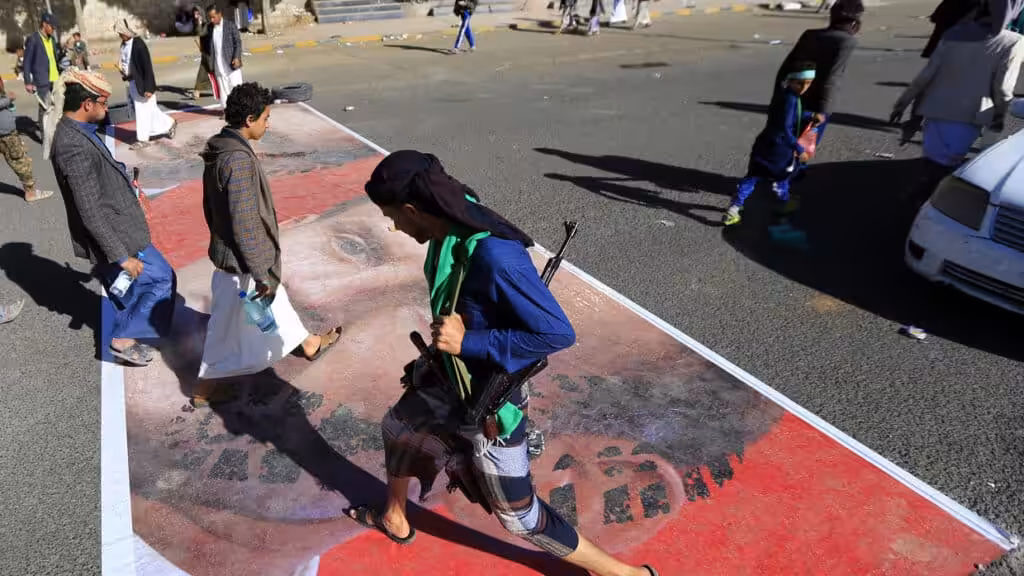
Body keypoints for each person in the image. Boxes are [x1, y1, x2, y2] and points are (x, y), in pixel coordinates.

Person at [346, 150, 659, 576]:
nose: (392, 225)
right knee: (397, 428)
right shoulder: (445, 226)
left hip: (490, 398)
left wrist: (468, 341)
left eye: (393, 217)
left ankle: (626, 575)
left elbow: (555, 333)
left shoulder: (495, 256)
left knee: (519, 516)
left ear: (413, 209)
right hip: (448, 376)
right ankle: (395, 516)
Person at [196, 82, 342, 390]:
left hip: (235, 255)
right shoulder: (237, 160)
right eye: (265, 118)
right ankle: (207, 388)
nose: (268, 123)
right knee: (225, 324)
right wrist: (261, 271)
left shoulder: (222, 146)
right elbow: (245, 223)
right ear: (249, 120)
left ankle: (308, 343)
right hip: (239, 261)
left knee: (276, 303)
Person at [49, 68, 177, 366]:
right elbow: (89, 209)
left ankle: (129, 334)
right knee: (161, 278)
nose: (107, 110)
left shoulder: (78, 130)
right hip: (115, 235)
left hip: (116, 227)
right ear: (87, 105)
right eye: (103, 104)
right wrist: (120, 256)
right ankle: (122, 338)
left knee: (127, 289)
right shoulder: (72, 145)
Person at [891, 0, 1024, 208]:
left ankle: (920, 201)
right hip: (969, 116)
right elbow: (1003, 87)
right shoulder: (1013, 42)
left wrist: (903, 103)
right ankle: (924, 204)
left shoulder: (955, 32)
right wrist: (999, 115)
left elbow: (926, 75)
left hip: (935, 109)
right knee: (945, 166)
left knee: (933, 160)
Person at [723, 63, 817, 226]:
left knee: (752, 176)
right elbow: (785, 127)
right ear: (791, 80)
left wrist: (810, 115)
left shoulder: (782, 95)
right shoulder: (791, 99)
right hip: (780, 148)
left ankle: (734, 209)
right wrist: (799, 149)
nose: (803, 87)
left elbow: (787, 116)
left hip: (764, 143)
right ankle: (784, 204)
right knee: (781, 178)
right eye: (800, 82)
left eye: (808, 83)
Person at [773, 0, 863, 161]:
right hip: (815, 104)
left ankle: (769, 177)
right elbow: (832, 77)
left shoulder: (810, 34)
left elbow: (786, 67)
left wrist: (778, 96)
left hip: (792, 96)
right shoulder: (846, 42)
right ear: (855, 21)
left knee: (783, 141)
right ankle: (781, 181)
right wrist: (823, 110)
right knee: (802, 151)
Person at [114, 19, 178, 151]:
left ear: (127, 31)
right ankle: (170, 123)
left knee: (142, 111)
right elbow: (127, 63)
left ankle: (142, 139)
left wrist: (149, 88)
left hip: (142, 84)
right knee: (150, 110)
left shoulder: (138, 45)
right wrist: (124, 72)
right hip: (133, 82)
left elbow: (147, 67)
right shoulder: (124, 44)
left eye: (121, 33)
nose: (120, 36)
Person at [0, 76, 54, 202]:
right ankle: (31, 192)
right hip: (6, 135)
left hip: (7, 134)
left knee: (17, 158)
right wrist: (9, 99)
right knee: (20, 162)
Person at [22, 13, 61, 142]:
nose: (53, 29)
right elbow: (26, 62)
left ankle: (55, 135)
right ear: (44, 24)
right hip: (42, 81)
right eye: (52, 26)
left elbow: (54, 58)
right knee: (45, 111)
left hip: (55, 80)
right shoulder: (33, 39)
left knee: (57, 109)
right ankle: (46, 139)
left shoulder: (52, 39)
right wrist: (28, 82)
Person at [201, 5, 244, 109]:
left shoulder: (230, 25)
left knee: (236, 87)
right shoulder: (209, 28)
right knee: (223, 90)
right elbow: (207, 44)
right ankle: (226, 111)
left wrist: (237, 57)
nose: (212, 20)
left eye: (213, 17)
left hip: (231, 63)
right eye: (210, 17)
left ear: (220, 14)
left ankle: (241, 110)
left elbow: (237, 42)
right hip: (218, 65)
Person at [188, 6, 213, 100]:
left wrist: (199, 22)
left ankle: (198, 91)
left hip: (211, 51)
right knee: (202, 71)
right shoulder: (199, 22)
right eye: (194, 13)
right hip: (205, 51)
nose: (195, 15)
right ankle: (197, 91)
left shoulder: (206, 23)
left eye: (197, 13)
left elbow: (201, 33)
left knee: (212, 71)